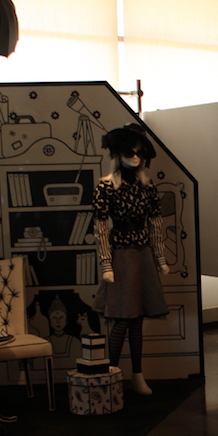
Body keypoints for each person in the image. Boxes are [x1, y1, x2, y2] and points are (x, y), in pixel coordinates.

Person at [93, 124, 169, 396]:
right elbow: (100, 227)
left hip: (143, 254)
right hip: (122, 255)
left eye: (139, 152)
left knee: (137, 320)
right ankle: (111, 376)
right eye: (129, 152)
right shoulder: (106, 187)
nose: (135, 157)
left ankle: (137, 375)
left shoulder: (147, 186)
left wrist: (160, 257)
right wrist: (106, 263)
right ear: (118, 154)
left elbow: (156, 223)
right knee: (122, 318)